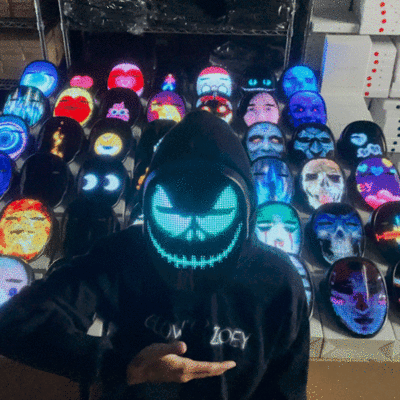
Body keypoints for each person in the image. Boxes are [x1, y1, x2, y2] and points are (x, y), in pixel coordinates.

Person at [0, 110, 309, 400]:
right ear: (149, 209)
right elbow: (16, 320)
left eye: (214, 217)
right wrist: (119, 365)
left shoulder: (279, 284)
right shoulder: (124, 254)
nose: (192, 237)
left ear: (246, 212)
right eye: (173, 217)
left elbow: (286, 391)